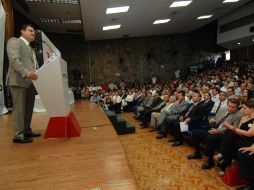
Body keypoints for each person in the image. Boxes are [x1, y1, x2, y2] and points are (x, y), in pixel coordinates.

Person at [6, 24, 40, 143]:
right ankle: (18, 135)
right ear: (22, 31)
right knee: (19, 109)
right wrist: (26, 73)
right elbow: (14, 60)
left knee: (28, 109)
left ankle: (26, 130)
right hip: (19, 81)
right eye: (30, 31)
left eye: (34, 32)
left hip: (30, 83)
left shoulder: (31, 48)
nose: (33, 33)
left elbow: (34, 66)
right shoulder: (14, 41)